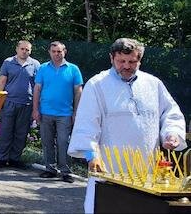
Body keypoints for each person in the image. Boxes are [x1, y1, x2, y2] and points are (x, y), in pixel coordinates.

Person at [68, 38, 186, 214]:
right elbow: (86, 126)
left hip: (147, 170)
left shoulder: (153, 84)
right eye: (121, 61)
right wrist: (91, 156)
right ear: (111, 58)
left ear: (140, 60)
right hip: (109, 170)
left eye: (132, 61)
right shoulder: (97, 85)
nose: (126, 66)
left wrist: (171, 133)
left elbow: (170, 113)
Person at [33, 41, 82, 183]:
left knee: (63, 142)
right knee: (47, 142)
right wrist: (35, 109)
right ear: (49, 52)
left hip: (65, 113)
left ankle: (66, 171)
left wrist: (76, 112)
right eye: (54, 51)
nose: (56, 54)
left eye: (59, 51)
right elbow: (37, 89)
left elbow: (78, 91)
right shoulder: (43, 68)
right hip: (45, 112)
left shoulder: (73, 69)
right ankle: (50, 169)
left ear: (64, 52)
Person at [0, 40, 40, 168]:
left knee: (21, 133)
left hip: (27, 104)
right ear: (17, 49)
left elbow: (37, 86)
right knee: (6, 131)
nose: (24, 51)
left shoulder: (35, 64)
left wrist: (37, 105)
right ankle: (1, 158)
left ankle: (14, 159)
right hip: (9, 102)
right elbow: (2, 82)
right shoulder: (8, 62)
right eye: (22, 49)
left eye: (27, 50)